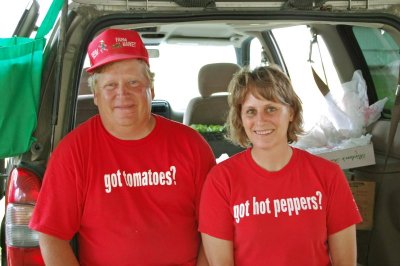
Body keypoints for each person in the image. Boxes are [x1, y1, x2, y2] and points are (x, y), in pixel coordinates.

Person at [29, 28, 215, 265]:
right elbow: (51, 235)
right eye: (110, 86)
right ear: (95, 94)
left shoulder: (191, 146)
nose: (122, 94)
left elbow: (214, 229)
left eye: (133, 82)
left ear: (152, 89)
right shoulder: (74, 152)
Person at [199, 65, 362, 266]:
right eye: (250, 111)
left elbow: (345, 262)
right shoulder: (221, 180)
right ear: (240, 118)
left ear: (291, 112)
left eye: (271, 109)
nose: (260, 120)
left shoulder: (328, 175)